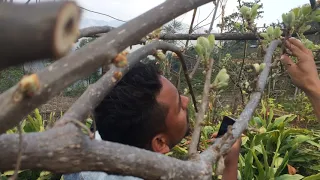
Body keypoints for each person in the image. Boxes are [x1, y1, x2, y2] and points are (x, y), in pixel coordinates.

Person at [63, 61, 241, 180]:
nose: (186, 100)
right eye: (178, 107)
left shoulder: (80, 160)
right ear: (160, 142)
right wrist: (230, 164)